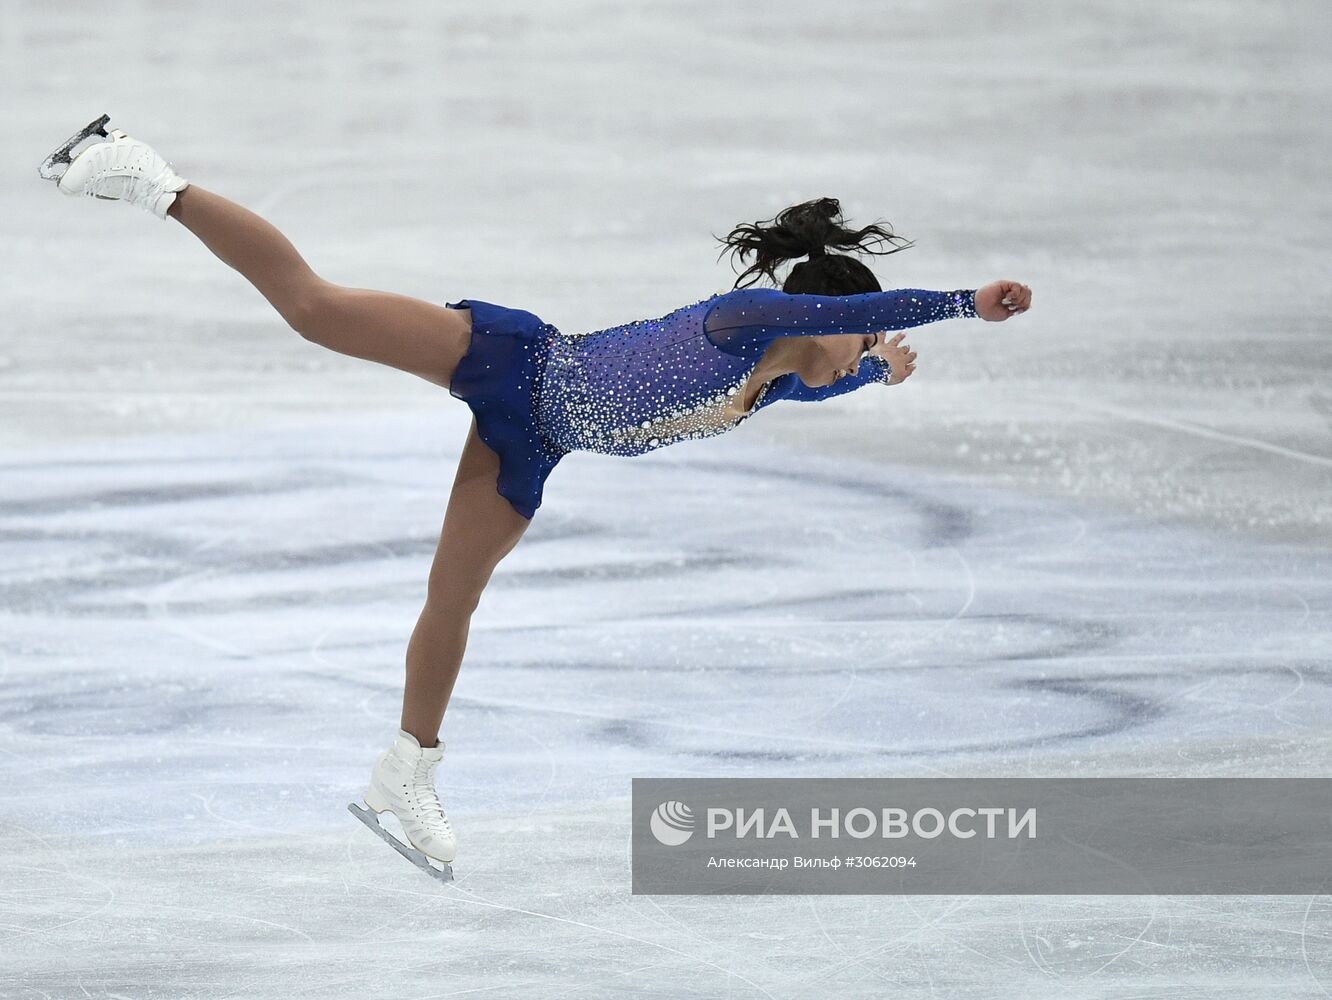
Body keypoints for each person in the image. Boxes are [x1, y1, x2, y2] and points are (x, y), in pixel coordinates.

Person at [40, 117, 1033, 875]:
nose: (857, 361)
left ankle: (406, 773)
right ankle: (144, 174)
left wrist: (879, 375)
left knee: (453, 593)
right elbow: (861, 313)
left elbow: (837, 370)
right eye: (857, 345)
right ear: (829, 319)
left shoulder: (769, 379)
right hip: (518, 360)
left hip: (539, 441)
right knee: (315, 310)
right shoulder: (748, 322)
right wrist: (961, 306)